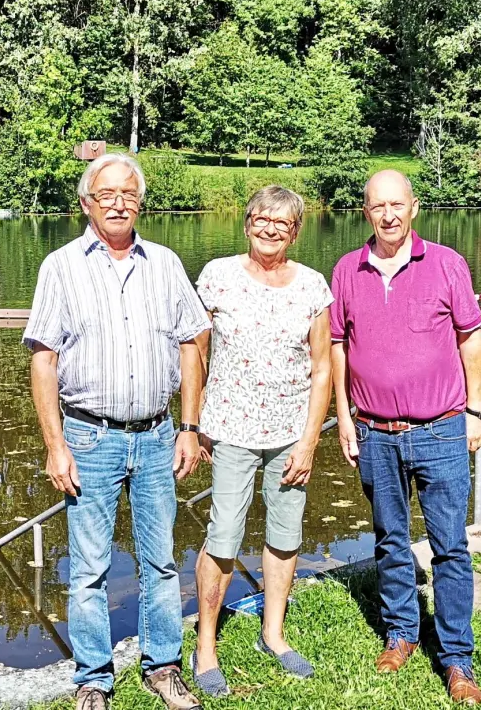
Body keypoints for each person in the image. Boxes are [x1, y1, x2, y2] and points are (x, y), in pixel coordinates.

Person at [24, 153, 210, 710]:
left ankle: (163, 667)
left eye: (128, 193)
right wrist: (55, 446)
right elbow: (43, 360)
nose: (118, 203)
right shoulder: (60, 266)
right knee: (88, 570)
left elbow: (192, 343)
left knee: (160, 561)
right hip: (89, 438)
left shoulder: (166, 263)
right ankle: (94, 680)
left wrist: (190, 426)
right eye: (106, 194)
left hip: (157, 437)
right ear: (86, 203)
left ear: (140, 201)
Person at [330, 169, 481, 705]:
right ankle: (401, 633)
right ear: (366, 212)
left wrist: (475, 411)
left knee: (450, 548)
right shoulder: (347, 270)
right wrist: (345, 417)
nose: (388, 215)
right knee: (390, 541)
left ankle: (457, 659)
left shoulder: (446, 264)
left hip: (441, 428)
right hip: (375, 432)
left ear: (414, 208)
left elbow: (471, 340)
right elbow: (338, 347)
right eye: (378, 206)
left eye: (397, 205)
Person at [189, 185, 332, 697]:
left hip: (290, 432)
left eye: (283, 223)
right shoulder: (217, 277)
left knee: (285, 534)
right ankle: (205, 647)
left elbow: (322, 369)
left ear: (296, 231)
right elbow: (196, 354)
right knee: (223, 534)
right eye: (261, 219)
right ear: (247, 222)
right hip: (230, 429)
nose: (270, 229)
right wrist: (194, 421)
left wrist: (310, 441)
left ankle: (273, 634)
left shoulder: (313, 286)